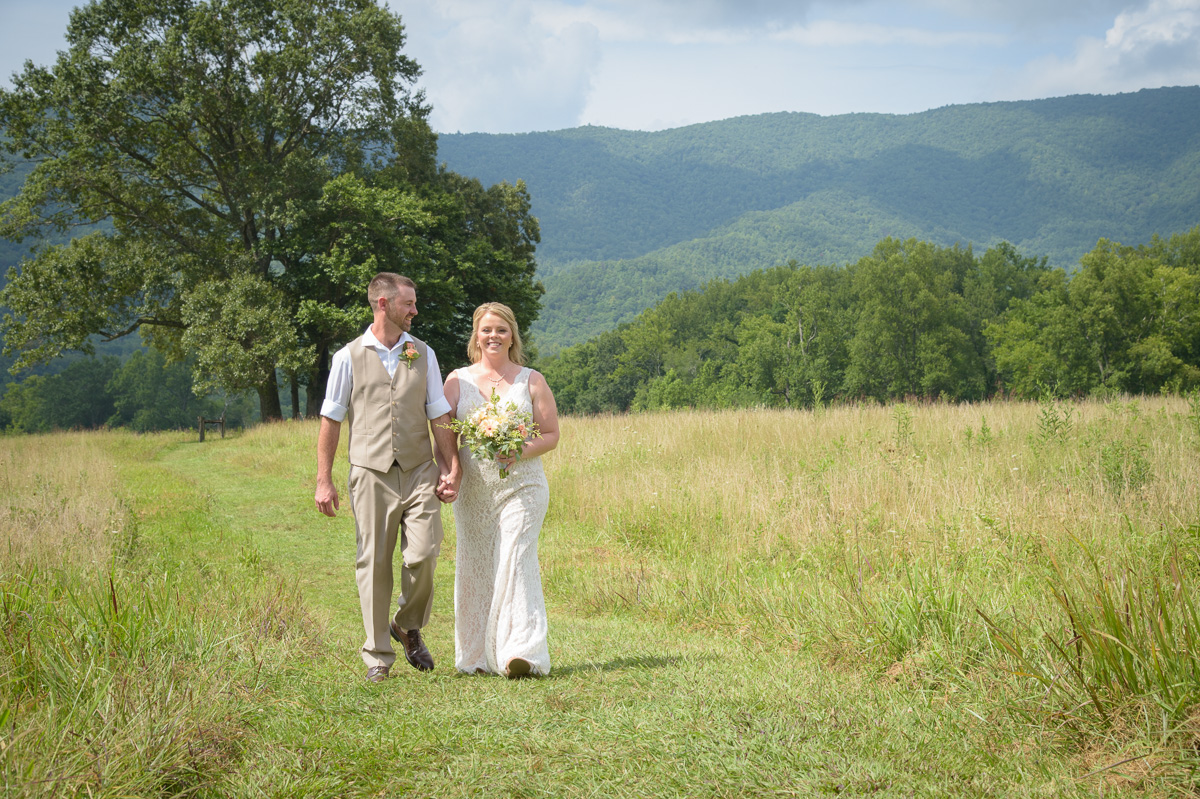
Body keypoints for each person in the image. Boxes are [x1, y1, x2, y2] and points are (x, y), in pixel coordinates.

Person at [314, 273, 462, 683]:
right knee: (374, 563)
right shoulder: (348, 356)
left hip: (418, 469)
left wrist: (451, 467)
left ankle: (406, 623)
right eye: (409, 304)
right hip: (370, 471)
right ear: (383, 304)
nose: (415, 311)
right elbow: (331, 418)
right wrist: (324, 479)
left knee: (425, 552)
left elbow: (438, 414)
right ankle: (378, 655)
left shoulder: (423, 353)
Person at [443, 302, 560, 678]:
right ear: (476, 335)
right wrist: (450, 469)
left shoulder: (532, 380)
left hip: (523, 485)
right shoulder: (456, 381)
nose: (493, 336)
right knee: (476, 565)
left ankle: (519, 653)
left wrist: (518, 450)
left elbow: (551, 434)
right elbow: (443, 431)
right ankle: (476, 655)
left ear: (513, 336)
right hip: (474, 491)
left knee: (516, 558)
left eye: (502, 330)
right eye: (486, 330)